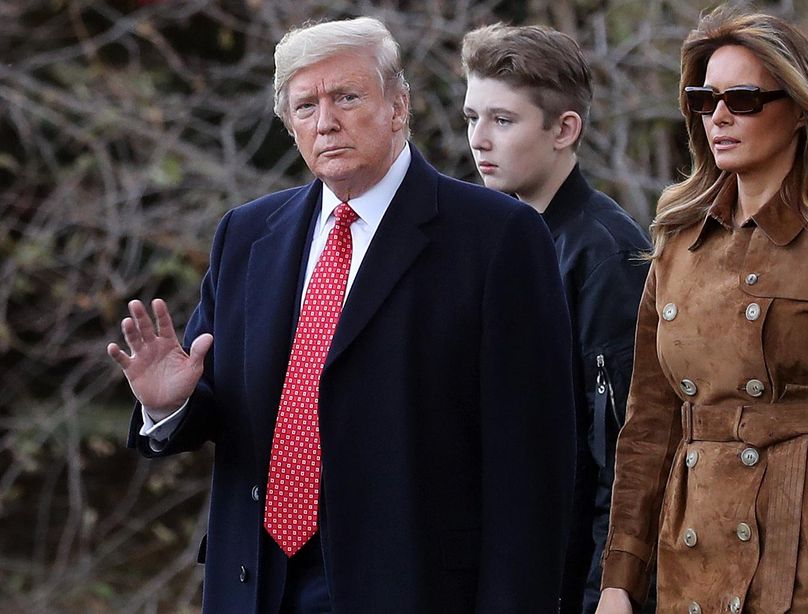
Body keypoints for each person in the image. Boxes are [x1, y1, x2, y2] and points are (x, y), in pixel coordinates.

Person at [106, 17, 576, 614]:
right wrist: (167, 404)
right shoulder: (247, 234)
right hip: (257, 584)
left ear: (398, 105)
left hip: (416, 587)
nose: (325, 120)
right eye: (305, 106)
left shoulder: (498, 237)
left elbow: (532, 465)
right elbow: (222, 405)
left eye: (346, 97)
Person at [596, 8, 808, 614]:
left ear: (799, 106)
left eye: (745, 99)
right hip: (694, 541)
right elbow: (649, 424)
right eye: (704, 99)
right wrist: (620, 578)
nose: (719, 117)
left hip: (807, 543)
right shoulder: (677, 238)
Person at [460, 24, 653, 614]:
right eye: (471, 117)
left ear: (564, 129)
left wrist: (607, 593)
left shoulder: (606, 255)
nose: (478, 140)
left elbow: (623, 453)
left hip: (568, 582)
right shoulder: (484, 239)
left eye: (503, 120)